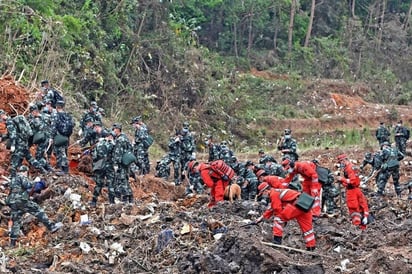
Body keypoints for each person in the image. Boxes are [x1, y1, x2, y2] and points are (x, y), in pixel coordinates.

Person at [5, 165, 62, 247]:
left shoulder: (13, 179)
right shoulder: (21, 176)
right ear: (24, 171)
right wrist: (35, 181)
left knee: (16, 221)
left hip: (12, 202)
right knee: (38, 210)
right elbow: (27, 185)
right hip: (20, 200)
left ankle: (12, 243)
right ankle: (51, 226)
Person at [255, 182, 316, 251]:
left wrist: (283, 219)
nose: (263, 196)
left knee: (278, 219)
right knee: (308, 228)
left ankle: (277, 241)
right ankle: (311, 247)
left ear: (265, 191)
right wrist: (261, 218)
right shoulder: (277, 192)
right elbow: (272, 208)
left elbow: (277, 209)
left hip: (296, 205)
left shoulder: (273, 193)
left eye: (262, 193)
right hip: (304, 205)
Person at [0, 110, 46, 176]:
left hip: (19, 145)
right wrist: (2, 138)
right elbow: (10, 134)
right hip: (24, 143)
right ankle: (44, 171)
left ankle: (12, 178)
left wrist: (13, 145)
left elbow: (13, 135)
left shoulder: (9, 122)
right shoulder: (12, 120)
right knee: (30, 159)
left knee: (14, 162)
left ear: (2, 115)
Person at [336, 154, 369, 230]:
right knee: (361, 204)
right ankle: (363, 225)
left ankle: (356, 227)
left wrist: (342, 179)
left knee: (353, 209)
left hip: (352, 192)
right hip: (356, 189)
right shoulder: (351, 167)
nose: (340, 164)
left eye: (340, 162)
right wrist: (343, 182)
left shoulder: (349, 168)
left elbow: (352, 181)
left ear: (344, 160)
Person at [90, 128, 115, 206]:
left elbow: (94, 156)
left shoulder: (99, 143)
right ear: (110, 136)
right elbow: (115, 156)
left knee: (98, 184)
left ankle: (93, 201)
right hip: (109, 166)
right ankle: (112, 202)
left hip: (100, 166)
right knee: (110, 184)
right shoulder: (113, 145)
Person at [112, 123, 134, 203]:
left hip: (121, 163)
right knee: (124, 179)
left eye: (114, 129)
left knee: (122, 180)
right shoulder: (125, 137)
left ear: (117, 129)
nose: (113, 131)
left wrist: (115, 164)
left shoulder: (120, 140)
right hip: (126, 163)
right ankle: (128, 198)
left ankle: (127, 198)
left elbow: (118, 153)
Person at [50, 100, 74, 174]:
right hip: (66, 136)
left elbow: (53, 127)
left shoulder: (56, 115)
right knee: (64, 152)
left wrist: (51, 137)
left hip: (59, 136)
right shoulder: (68, 115)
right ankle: (61, 167)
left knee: (61, 152)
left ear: (57, 106)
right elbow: (73, 124)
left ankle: (64, 170)